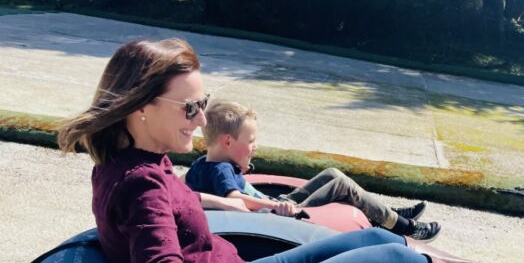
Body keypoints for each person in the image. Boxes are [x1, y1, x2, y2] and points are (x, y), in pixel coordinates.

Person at [56, 38, 524, 263]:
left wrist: (231, 201)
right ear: (141, 108)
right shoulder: (139, 183)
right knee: (398, 262)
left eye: (203, 103)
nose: (200, 120)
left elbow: (179, 201)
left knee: (377, 239)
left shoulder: (138, 163)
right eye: (190, 108)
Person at [186, 99, 441, 241]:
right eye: (250, 142)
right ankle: (402, 225)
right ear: (228, 142)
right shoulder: (220, 169)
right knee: (341, 184)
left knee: (332, 174)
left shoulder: (204, 164)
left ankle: (385, 212)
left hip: (274, 204)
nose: (255, 147)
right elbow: (234, 200)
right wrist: (275, 207)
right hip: (277, 213)